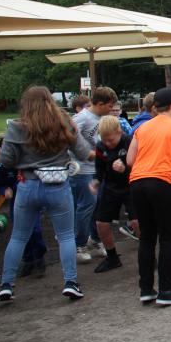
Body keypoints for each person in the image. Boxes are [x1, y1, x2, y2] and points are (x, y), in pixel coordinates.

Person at [0, 86, 92, 302]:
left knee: (18, 236)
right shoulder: (64, 123)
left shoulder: (16, 127)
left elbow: (6, 161)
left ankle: (7, 284)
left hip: (28, 184)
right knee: (66, 236)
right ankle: (70, 282)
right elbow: (83, 153)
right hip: (58, 185)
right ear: (50, 101)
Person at [127, 87, 171, 305]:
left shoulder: (142, 128)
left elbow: (130, 160)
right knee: (167, 237)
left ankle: (146, 289)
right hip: (163, 182)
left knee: (146, 237)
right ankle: (166, 290)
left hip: (137, 182)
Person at [71, 86, 117, 264]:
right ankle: (79, 245)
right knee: (86, 206)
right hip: (83, 169)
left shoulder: (103, 118)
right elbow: (69, 139)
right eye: (109, 106)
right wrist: (84, 154)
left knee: (100, 206)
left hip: (99, 168)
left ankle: (96, 239)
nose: (111, 109)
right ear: (99, 103)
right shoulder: (81, 118)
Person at [90, 116, 136, 273]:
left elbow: (140, 164)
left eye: (110, 140)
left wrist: (126, 169)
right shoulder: (100, 146)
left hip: (131, 185)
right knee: (101, 223)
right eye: (104, 140)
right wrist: (96, 181)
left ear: (119, 132)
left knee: (137, 222)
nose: (108, 144)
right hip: (111, 187)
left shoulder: (129, 142)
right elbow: (100, 168)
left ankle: (148, 254)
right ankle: (112, 257)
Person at [0, 141, 47, 278]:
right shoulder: (3, 167)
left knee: (35, 230)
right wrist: (4, 190)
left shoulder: (26, 162)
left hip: (30, 200)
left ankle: (39, 258)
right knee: (20, 232)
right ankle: (28, 260)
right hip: (16, 203)